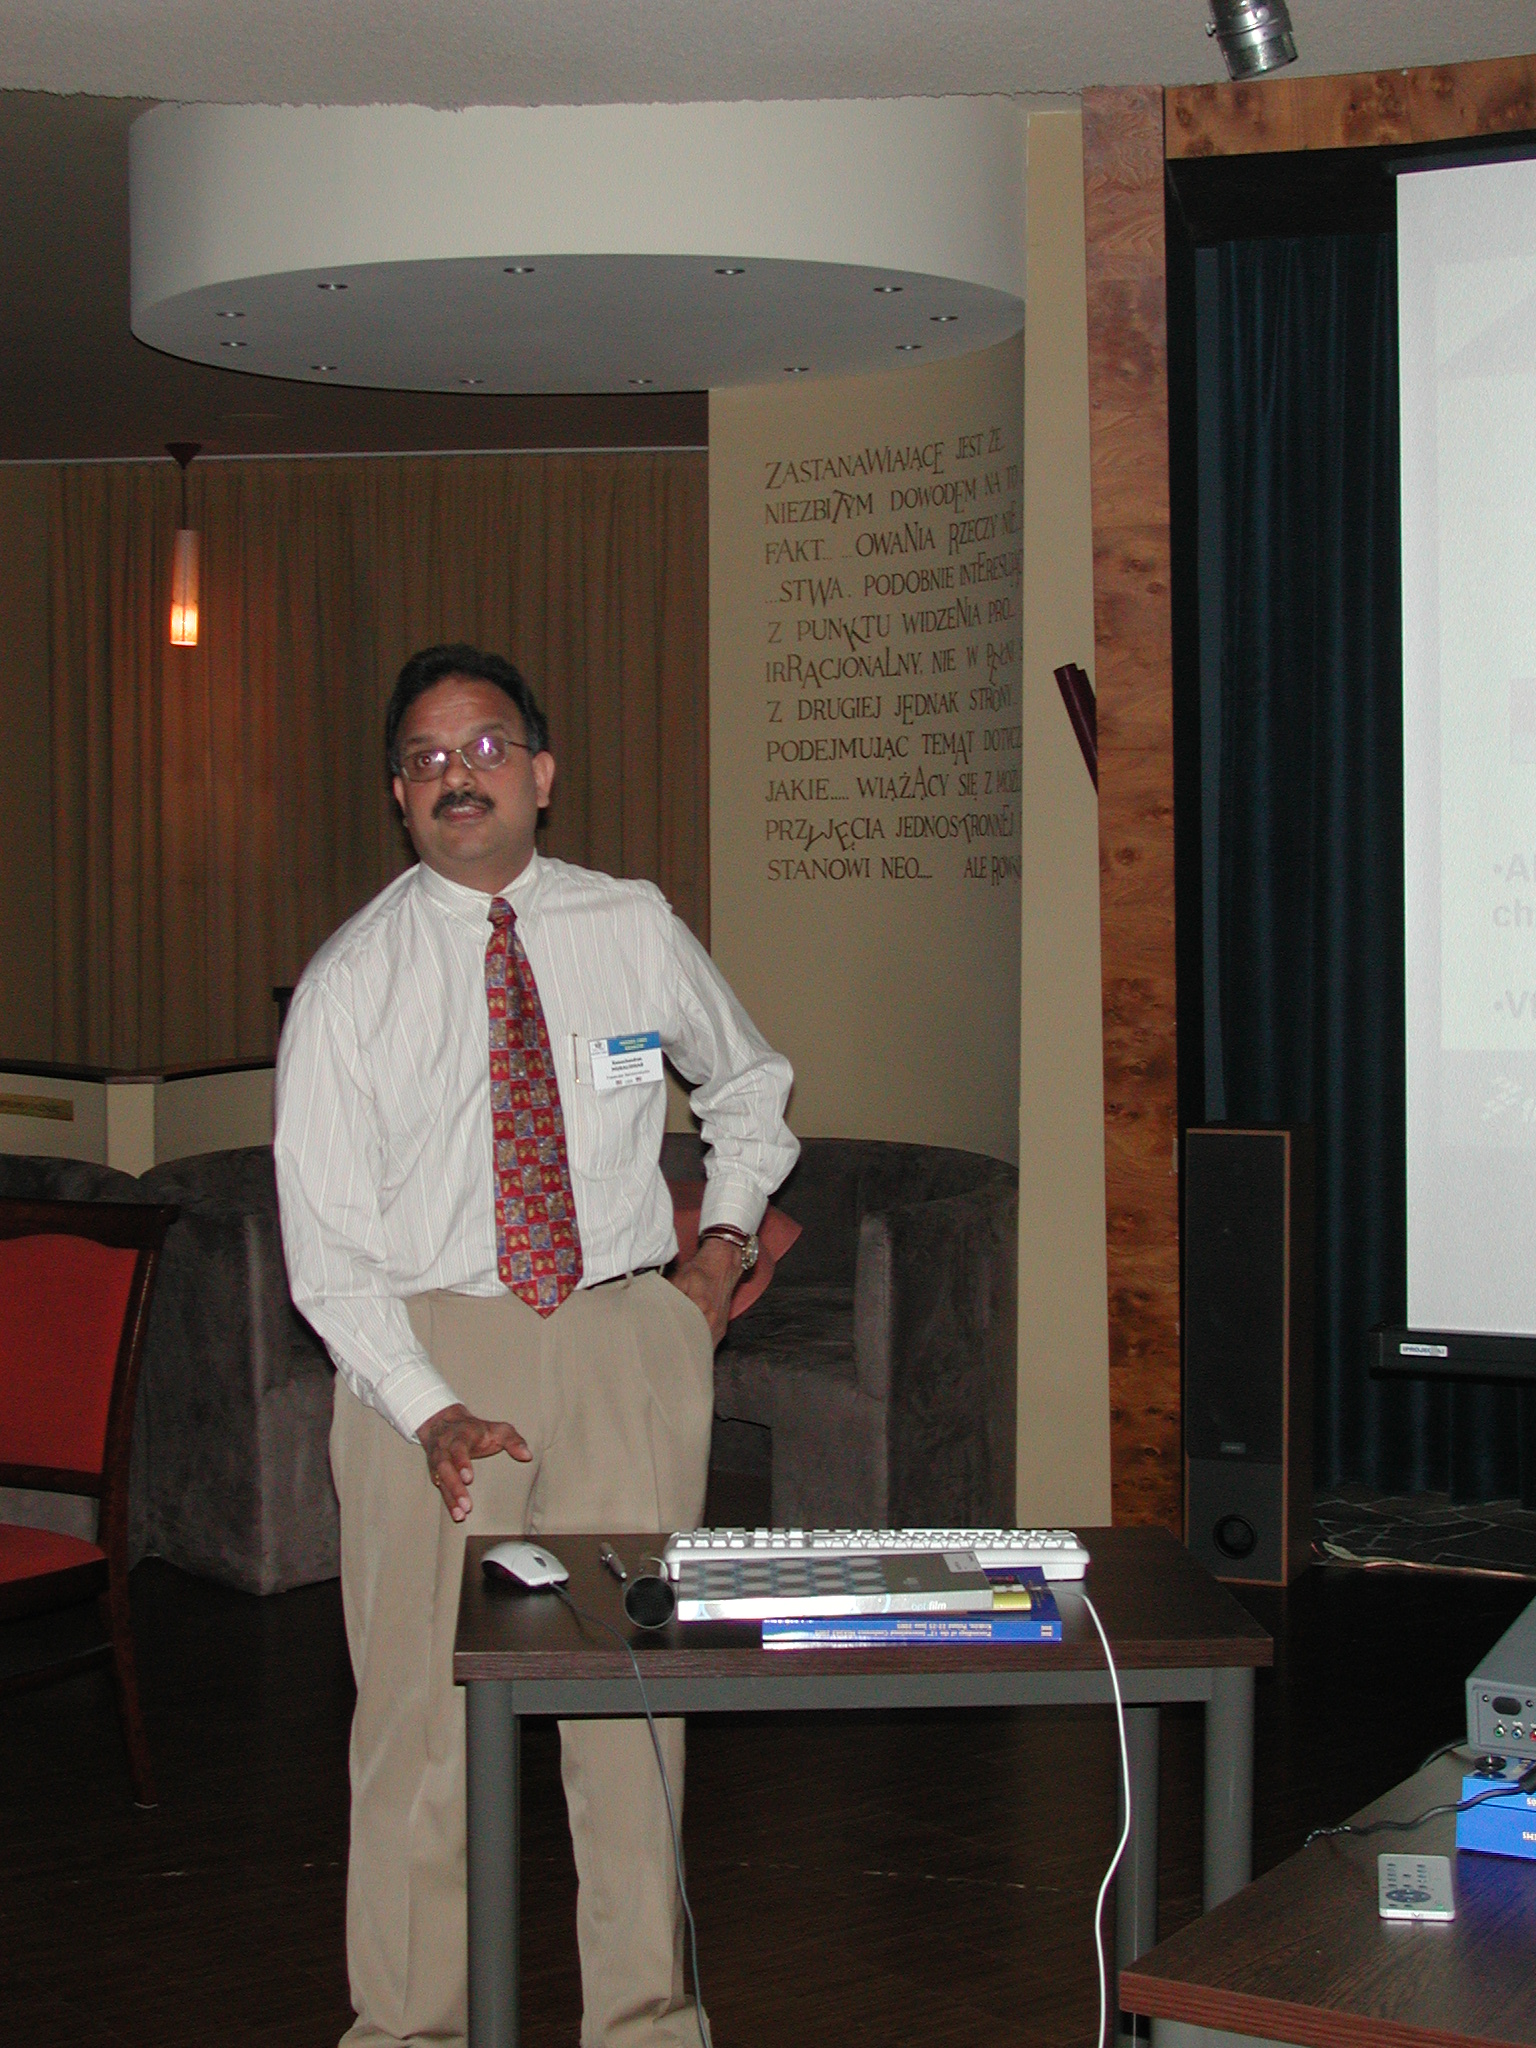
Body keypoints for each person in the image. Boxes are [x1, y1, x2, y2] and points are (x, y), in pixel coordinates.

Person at [274, 643, 797, 2048]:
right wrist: (430, 1406)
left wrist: (718, 1252)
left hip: (624, 1341)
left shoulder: (629, 925)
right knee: (418, 1724)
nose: (461, 777)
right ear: (399, 795)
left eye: (488, 748)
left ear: (542, 773)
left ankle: (644, 2024)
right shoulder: (352, 982)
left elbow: (750, 1084)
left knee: (636, 1707)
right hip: (429, 1356)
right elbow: (326, 1252)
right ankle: (411, 2032)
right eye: (429, 760)